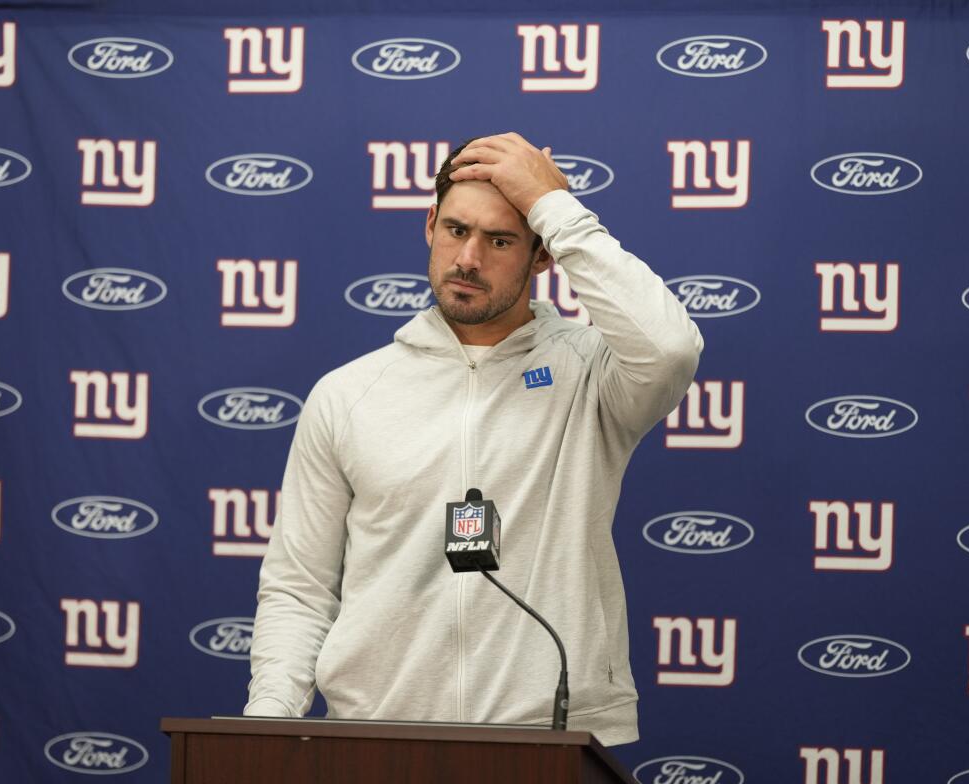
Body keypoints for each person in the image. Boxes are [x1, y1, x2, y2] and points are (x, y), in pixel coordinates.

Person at [245, 133, 703, 746]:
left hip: (552, 738)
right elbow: (300, 587)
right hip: (376, 740)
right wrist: (267, 723)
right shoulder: (347, 393)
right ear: (430, 224)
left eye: (501, 240)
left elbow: (671, 347)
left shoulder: (592, 373)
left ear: (543, 256)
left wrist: (552, 206)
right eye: (456, 230)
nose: (468, 258)